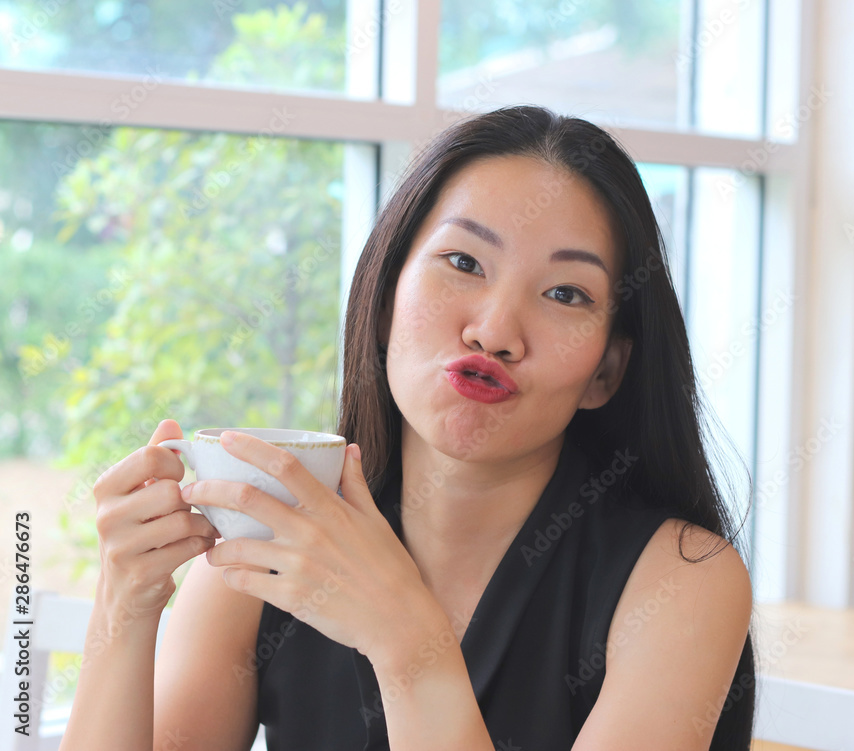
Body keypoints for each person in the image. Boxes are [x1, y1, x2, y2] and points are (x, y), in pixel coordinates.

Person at [62, 105, 756, 751]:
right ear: (386, 298)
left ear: (606, 371)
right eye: (463, 263)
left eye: (565, 293)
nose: (494, 331)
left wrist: (408, 645)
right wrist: (125, 600)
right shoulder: (270, 535)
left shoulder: (682, 580)